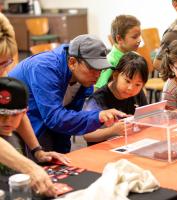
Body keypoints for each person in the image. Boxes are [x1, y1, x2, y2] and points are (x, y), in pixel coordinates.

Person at [9, 34, 127, 153]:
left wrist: (65, 155)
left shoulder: (83, 79)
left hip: (44, 121)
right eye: (92, 68)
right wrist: (97, 116)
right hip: (13, 121)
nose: (98, 75)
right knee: (38, 162)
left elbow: (67, 123)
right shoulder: (44, 68)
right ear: (72, 62)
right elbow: (54, 118)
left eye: (101, 69)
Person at [0, 13, 69, 164]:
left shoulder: (2, 72)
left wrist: (37, 151)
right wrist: (29, 167)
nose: (2, 71)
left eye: (6, 63)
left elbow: (18, 110)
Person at [0, 77, 63, 197]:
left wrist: (38, 151)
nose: (7, 120)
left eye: (14, 115)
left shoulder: (14, 137)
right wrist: (30, 168)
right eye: (1, 114)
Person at [83, 52, 148, 145]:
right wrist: (113, 130)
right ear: (116, 75)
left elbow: (146, 118)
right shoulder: (97, 99)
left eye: (138, 84)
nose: (131, 88)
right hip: (104, 150)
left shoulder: (138, 93)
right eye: (127, 81)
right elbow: (87, 135)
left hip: (130, 144)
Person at [95, 15, 141, 89]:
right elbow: (98, 89)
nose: (139, 40)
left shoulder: (135, 57)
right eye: (134, 37)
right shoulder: (110, 62)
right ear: (119, 39)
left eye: (139, 36)